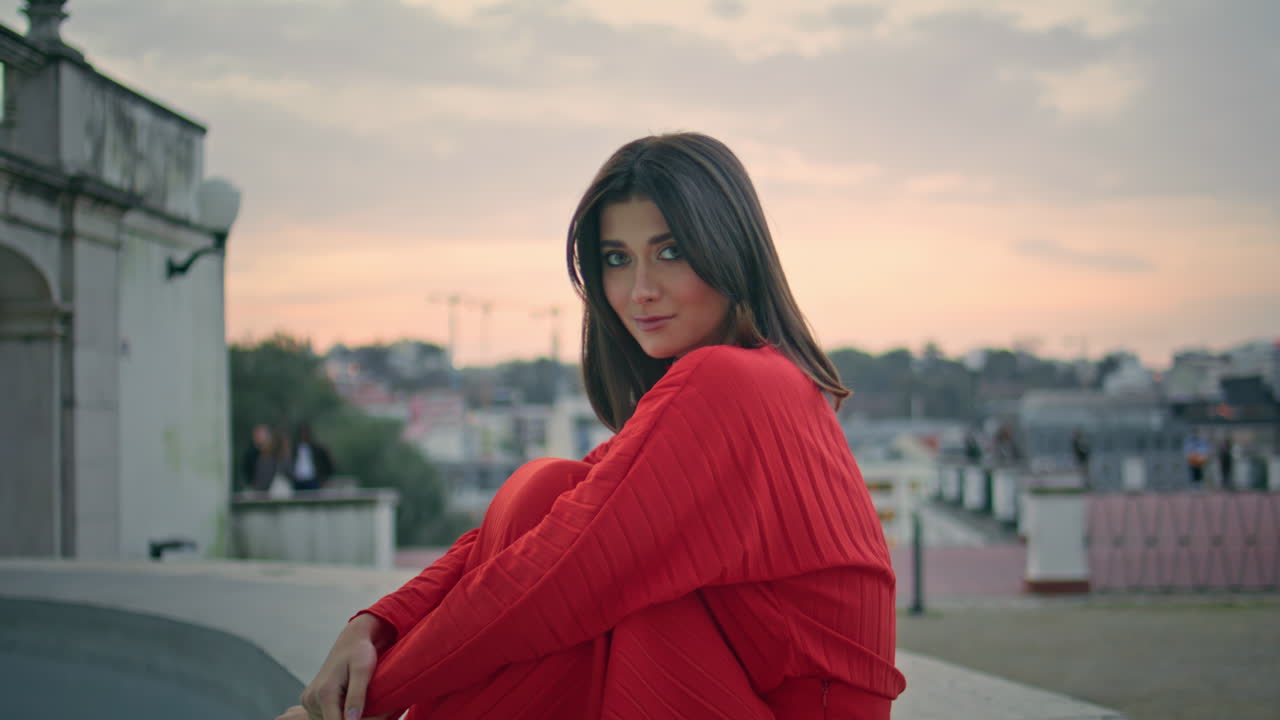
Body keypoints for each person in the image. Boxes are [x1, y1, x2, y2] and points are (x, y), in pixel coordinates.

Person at [276, 133, 905, 720]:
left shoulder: (731, 384)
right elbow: (555, 534)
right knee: (549, 494)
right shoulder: (759, 380)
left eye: (670, 251)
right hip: (735, 680)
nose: (639, 290)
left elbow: (555, 575)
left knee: (566, 553)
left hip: (779, 704)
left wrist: (363, 700)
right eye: (616, 258)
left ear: (729, 248)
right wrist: (375, 627)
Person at [290, 422, 335, 491]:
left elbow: (328, 463)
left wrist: (324, 478)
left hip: (313, 480)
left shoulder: (317, 448)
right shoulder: (294, 448)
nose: (304, 435)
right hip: (297, 480)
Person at [239, 423, 279, 493]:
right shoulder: (250, 454)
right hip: (255, 490)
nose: (259, 438)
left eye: (261, 435)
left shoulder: (275, 454)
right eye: (257, 435)